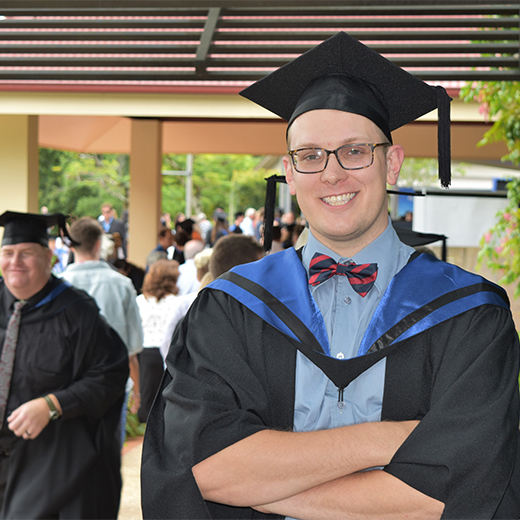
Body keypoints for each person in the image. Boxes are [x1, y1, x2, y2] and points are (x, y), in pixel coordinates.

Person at [141, 32, 520, 519]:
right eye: (311, 155)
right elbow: (202, 467)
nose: (332, 173)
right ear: (290, 173)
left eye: (355, 151)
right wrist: (390, 439)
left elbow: (451, 494)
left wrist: (262, 484)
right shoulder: (230, 307)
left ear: (392, 164)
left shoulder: (472, 315)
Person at [0, 211, 128, 519]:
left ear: (49, 257)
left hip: (54, 460)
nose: (15, 261)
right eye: (8, 253)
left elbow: (110, 374)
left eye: (26, 253)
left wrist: (52, 404)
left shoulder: (77, 313)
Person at [60, 217, 143, 446]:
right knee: (109, 452)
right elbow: (131, 349)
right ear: (98, 244)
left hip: (67, 386)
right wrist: (137, 390)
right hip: (113, 384)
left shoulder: (59, 284)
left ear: (71, 245)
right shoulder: (122, 284)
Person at [136, 259, 181, 423]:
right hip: (167, 354)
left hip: (145, 354)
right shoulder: (176, 302)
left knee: (146, 406)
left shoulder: (140, 301)